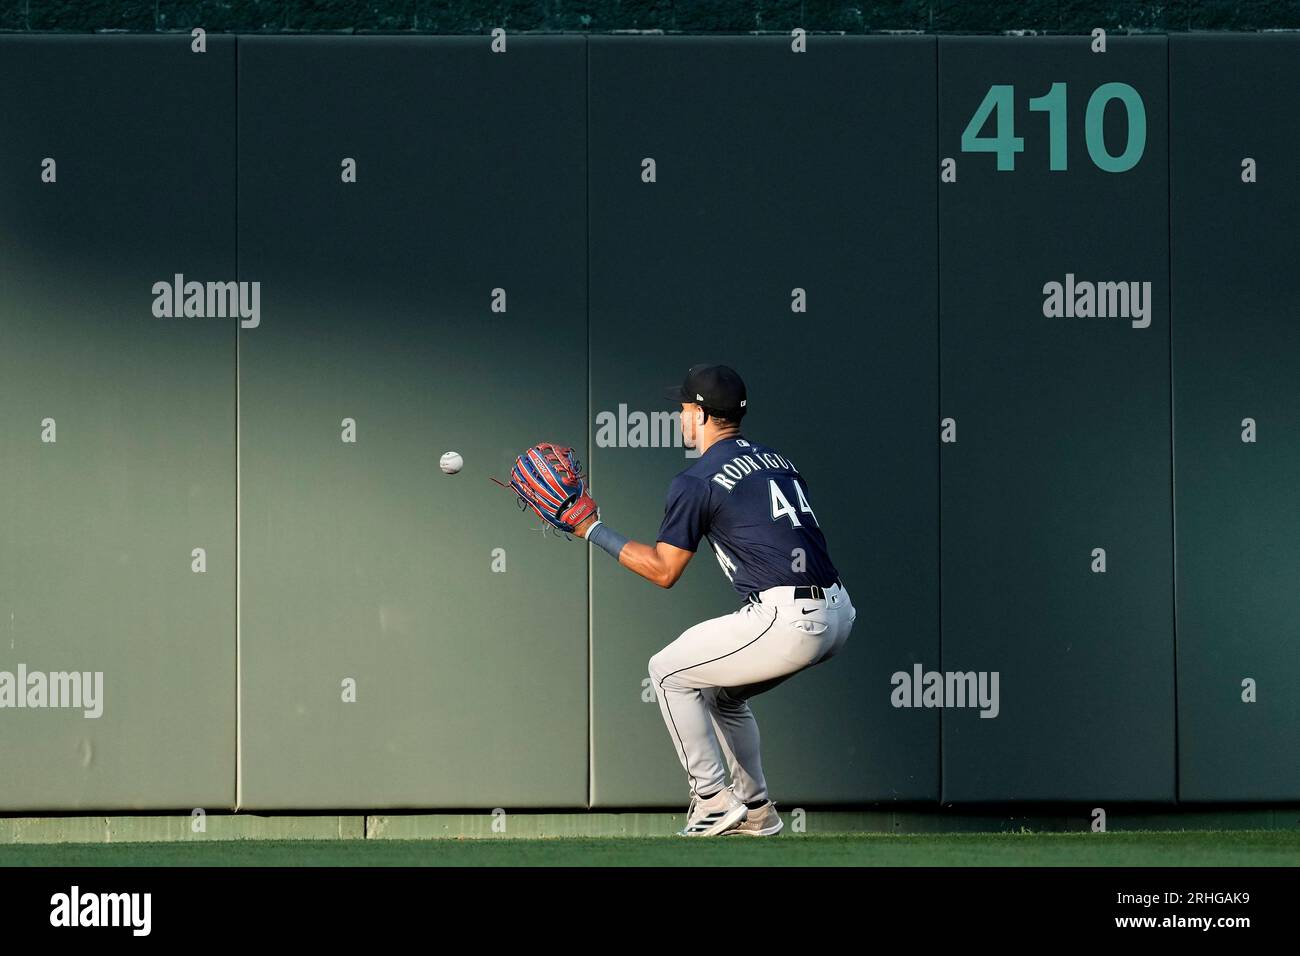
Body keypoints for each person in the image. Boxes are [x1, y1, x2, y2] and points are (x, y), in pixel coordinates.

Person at [575, 364, 856, 837]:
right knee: (724, 698)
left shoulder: (697, 479)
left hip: (790, 618)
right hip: (839, 613)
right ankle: (758, 809)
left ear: (700, 415)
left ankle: (710, 799)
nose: (680, 417)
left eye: (684, 408)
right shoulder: (779, 461)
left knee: (666, 672)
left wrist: (592, 529)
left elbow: (664, 571)